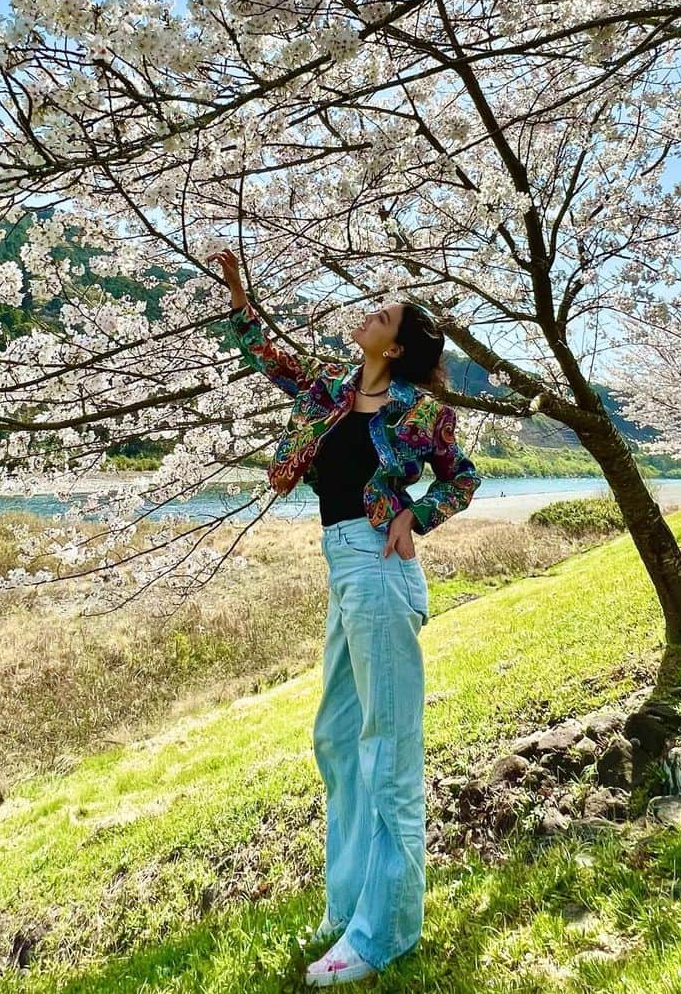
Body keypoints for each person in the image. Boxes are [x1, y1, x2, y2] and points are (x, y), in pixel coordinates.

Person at [207, 249, 481, 987]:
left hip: (379, 570)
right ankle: (350, 899)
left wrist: (417, 516)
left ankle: (382, 932)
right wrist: (241, 294)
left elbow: (464, 478)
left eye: (382, 316)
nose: (368, 312)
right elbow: (267, 358)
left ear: (394, 346)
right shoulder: (331, 393)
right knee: (336, 735)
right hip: (343, 568)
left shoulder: (421, 411)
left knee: (389, 749)